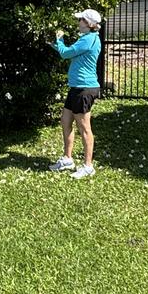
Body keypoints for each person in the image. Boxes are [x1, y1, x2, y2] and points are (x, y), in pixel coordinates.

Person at [48, 9, 103, 179]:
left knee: (84, 128)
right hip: (76, 88)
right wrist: (55, 43)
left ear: (90, 24)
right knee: (65, 120)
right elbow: (67, 51)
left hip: (85, 89)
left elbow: (65, 53)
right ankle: (67, 159)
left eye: (81, 20)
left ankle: (88, 166)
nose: (78, 22)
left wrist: (59, 40)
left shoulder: (89, 40)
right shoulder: (86, 39)